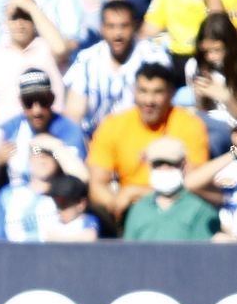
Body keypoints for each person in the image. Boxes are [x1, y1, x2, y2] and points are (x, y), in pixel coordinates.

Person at [86, 61, 208, 222]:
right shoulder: (113, 124)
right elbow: (96, 185)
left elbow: (192, 185)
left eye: (157, 92)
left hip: (175, 207)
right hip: (126, 208)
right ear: (134, 91)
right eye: (143, 91)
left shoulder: (189, 124)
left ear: (171, 93)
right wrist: (115, 204)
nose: (149, 100)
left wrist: (135, 192)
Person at [62, 0, 168, 137]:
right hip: (95, 139)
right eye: (111, 26)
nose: (117, 34)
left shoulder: (153, 57)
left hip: (144, 136)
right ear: (102, 29)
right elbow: (73, 115)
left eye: (124, 26)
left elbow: (161, 105)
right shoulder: (86, 60)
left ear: (135, 26)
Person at [0, 68, 86, 194]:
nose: (36, 111)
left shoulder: (70, 129)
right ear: (21, 102)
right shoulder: (6, 130)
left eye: (43, 101)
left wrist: (55, 149)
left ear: (52, 99)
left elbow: (81, 180)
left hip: (58, 200)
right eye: (29, 102)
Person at [0, 0, 70, 124]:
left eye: (25, 17)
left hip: (51, 130)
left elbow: (61, 49)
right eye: (14, 18)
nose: (20, 23)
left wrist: (32, 8)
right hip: (8, 136)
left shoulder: (48, 48)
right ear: (6, 20)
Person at [185, 12, 237, 138]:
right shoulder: (194, 65)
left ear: (231, 45)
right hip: (209, 125)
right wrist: (201, 97)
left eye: (217, 50)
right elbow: (203, 110)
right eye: (206, 51)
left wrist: (226, 98)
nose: (211, 56)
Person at [122, 134, 217, 237]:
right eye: (158, 164)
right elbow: (128, 250)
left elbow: (204, 251)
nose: (164, 169)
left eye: (171, 164)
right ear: (149, 167)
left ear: (184, 166)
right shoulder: (139, 208)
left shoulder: (199, 209)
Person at [43, 170, 99, 239]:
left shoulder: (87, 220)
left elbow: (90, 236)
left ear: (81, 204)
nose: (60, 211)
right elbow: (48, 236)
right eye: (57, 205)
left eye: (65, 205)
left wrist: (59, 240)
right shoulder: (56, 221)